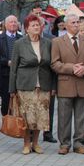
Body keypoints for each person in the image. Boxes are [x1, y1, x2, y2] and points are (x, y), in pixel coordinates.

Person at [51, 14, 84, 155]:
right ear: (66, 25)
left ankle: (79, 143)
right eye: (73, 22)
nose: (76, 25)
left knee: (81, 116)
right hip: (65, 84)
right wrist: (72, 68)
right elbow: (54, 63)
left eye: (78, 22)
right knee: (64, 116)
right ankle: (64, 144)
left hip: (83, 83)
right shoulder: (57, 42)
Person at [9, 15, 55, 155]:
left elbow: (52, 66)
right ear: (27, 28)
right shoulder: (20, 44)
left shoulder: (48, 43)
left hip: (43, 84)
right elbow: (14, 68)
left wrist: (53, 86)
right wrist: (12, 89)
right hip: (25, 85)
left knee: (40, 116)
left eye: (38, 25)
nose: (37, 27)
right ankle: (26, 143)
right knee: (26, 117)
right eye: (33, 25)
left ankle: (36, 143)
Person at [0, 15, 22, 115]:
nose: (13, 24)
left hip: (20, 75)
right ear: (5, 24)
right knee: (6, 102)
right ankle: (6, 123)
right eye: (11, 22)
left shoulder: (22, 38)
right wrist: (7, 62)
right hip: (5, 75)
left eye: (15, 22)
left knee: (20, 101)